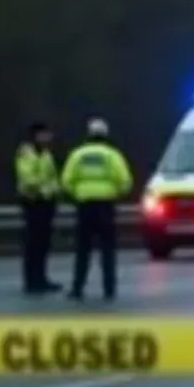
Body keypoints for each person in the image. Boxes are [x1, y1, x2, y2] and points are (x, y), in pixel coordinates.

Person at [60, 118, 133, 300]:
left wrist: (77, 194)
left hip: (84, 206)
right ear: (105, 135)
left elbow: (66, 180)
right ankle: (109, 289)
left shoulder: (78, 154)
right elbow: (125, 180)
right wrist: (115, 193)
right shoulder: (112, 155)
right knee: (107, 249)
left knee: (82, 249)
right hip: (105, 206)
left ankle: (78, 288)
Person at [15, 121, 62, 293]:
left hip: (47, 202)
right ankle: (31, 280)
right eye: (45, 134)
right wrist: (44, 188)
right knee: (33, 244)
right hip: (33, 202)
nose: (49, 137)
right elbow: (27, 178)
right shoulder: (26, 154)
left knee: (44, 243)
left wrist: (55, 191)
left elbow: (52, 176)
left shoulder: (46, 154)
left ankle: (41, 278)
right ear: (36, 135)